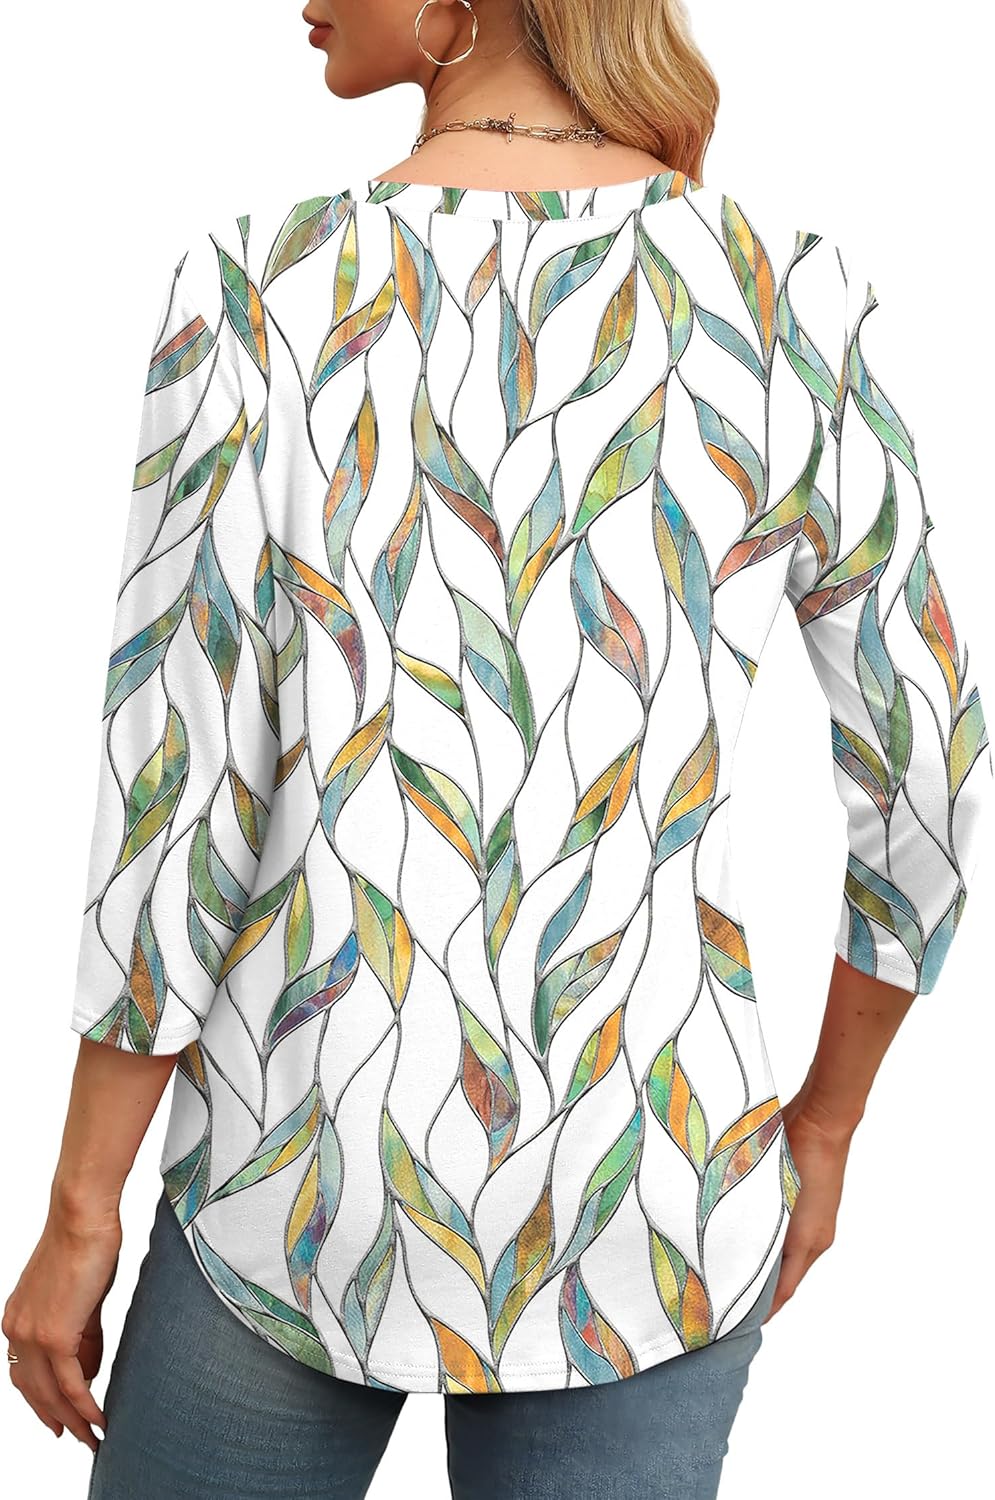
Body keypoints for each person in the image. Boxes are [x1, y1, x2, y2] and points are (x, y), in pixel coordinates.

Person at [4, 2, 991, 1496]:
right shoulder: (784, 293)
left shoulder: (258, 287)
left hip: (295, 1158)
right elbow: (931, 768)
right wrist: (829, 1123)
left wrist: (85, 1207)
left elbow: (175, 793)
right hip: (652, 1184)